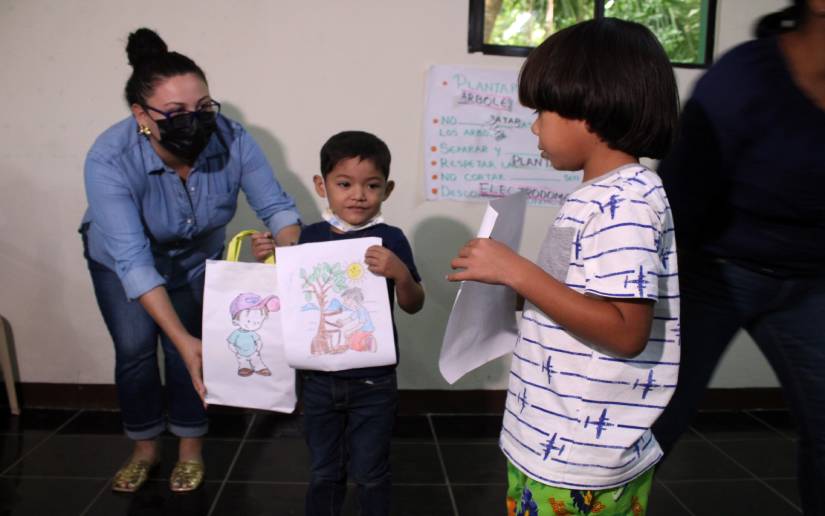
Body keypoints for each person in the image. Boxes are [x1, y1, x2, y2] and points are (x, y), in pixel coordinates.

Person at [448, 18, 680, 515]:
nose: (534, 126)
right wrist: (507, 286)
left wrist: (518, 272)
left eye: (542, 111)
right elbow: (579, 298)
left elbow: (624, 331)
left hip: (580, 462)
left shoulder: (629, 201)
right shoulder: (595, 197)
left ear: (589, 109)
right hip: (551, 435)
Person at [80, 28, 301, 493]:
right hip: (123, 261)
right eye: (176, 113)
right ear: (142, 115)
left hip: (198, 260)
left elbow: (278, 208)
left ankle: (190, 448)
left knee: (193, 355)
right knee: (138, 350)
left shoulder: (233, 138)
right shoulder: (109, 159)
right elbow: (135, 262)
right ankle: (143, 448)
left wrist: (289, 254)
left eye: (203, 108)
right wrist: (179, 336)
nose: (196, 122)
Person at [652, 1, 825, 514]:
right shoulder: (747, 76)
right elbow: (678, 194)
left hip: (809, 281)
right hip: (713, 272)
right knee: (654, 419)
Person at [296, 131, 425, 516]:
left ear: (387, 189)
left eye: (371, 185)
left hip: (374, 379)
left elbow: (415, 303)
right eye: (344, 184)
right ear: (322, 186)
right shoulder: (309, 237)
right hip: (318, 378)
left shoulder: (391, 238)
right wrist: (273, 258)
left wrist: (401, 274)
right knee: (324, 470)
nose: (358, 195)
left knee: (370, 471)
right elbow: (294, 298)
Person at [227, 293, 280, 377]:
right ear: (235, 321)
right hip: (241, 353)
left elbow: (258, 341)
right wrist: (235, 350)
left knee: (257, 360)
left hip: (254, 352)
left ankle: (260, 368)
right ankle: (244, 368)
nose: (254, 325)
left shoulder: (252, 333)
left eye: (257, 322)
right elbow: (230, 343)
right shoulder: (236, 334)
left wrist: (258, 348)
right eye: (249, 321)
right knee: (242, 361)